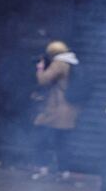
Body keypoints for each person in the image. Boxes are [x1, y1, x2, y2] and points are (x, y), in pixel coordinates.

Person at [33, 39, 80, 179]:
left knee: (41, 135)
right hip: (69, 109)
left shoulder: (59, 63)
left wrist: (40, 68)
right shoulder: (72, 62)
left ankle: (43, 168)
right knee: (62, 141)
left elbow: (43, 80)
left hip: (57, 109)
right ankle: (63, 171)